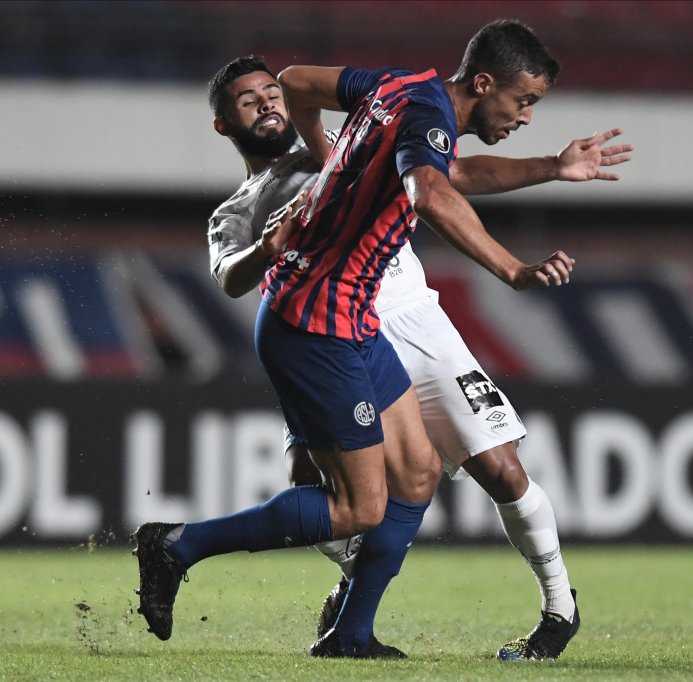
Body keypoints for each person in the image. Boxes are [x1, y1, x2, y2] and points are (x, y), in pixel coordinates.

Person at [132, 19, 611, 660]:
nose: (267, 103)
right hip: (323, 313)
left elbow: (317, 93)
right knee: (342, 497)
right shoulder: (244, 207)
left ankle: (373, 629)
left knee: (444, 472)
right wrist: (512, 269)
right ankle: (190, 549)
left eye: (267, 95)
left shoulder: (359, 127)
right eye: (247, 102)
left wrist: (551, 167)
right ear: (225, 124)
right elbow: (430, 189)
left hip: (391, 311)